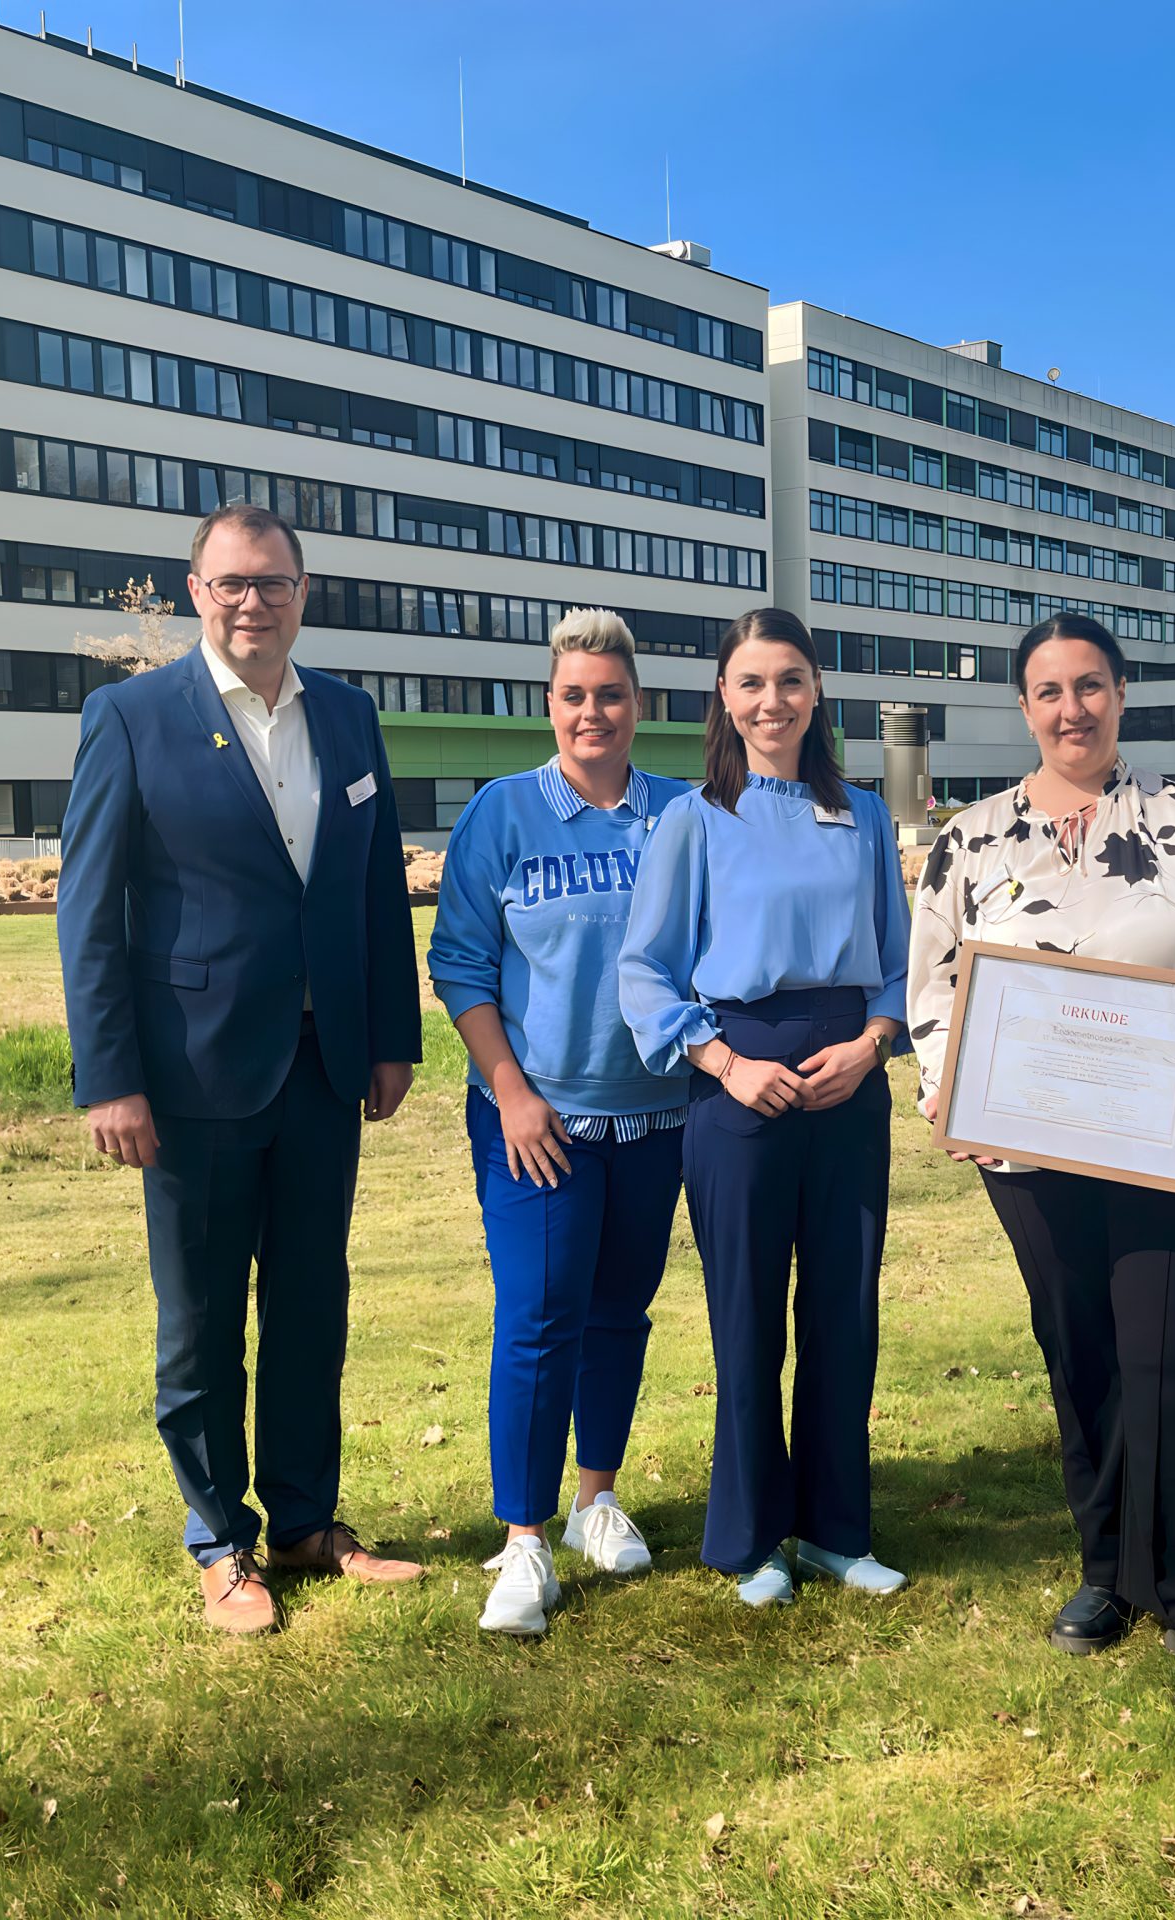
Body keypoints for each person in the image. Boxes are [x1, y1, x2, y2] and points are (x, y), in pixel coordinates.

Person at [906, 613, 1175, 1689]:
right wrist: (950, 1086)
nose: (1071, 708)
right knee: (1081, 1355)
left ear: (1121, 694)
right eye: (1049, 690)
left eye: (1090, 685)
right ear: (1023, 707)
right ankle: (1108, 1570)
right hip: (1033, 1152)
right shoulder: (971, 838)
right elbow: (934, 984)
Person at [58, 502, 424, 1636]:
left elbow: (374, 886)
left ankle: (307, 1521)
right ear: (196, 593)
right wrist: (108, 1077)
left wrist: (392, 1036)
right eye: (230, 583)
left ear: (303, 593)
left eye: (272, 582)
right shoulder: (130, 717)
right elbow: (89, 911)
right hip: (192, 1077)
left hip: (323, 1068)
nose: (251, 602)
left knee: (313, 1303)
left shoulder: (349, 717)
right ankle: (221, 1542)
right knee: (204, 1318)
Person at [617, 607, 911, 1607]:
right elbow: (645, 970)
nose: (771, 700)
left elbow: (899, 961)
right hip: (738, 1085)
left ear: (817, 691)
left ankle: (835, 1530)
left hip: (847, 1082)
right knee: (746, 1317)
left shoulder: (863, 816)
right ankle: (750, 1540)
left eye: (790, 679)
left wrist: (872, 1046)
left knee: (844, 1310)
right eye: (751, 682)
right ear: (724, 697)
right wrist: (724, 1062)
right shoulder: (693, 820)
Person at [427, 610, 693, 1635]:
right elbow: (461, 966)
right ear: (550, 703)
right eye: (575, 695)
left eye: (611, 695)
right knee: (538, 1320)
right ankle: (525, 1538)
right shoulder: (502, 814)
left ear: (638, 705)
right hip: (537, 1121)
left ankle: (595, 1499)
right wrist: (510, 1090)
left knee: (620, 1313)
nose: (593, 712)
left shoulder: (681, 813)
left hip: (656, 1116)